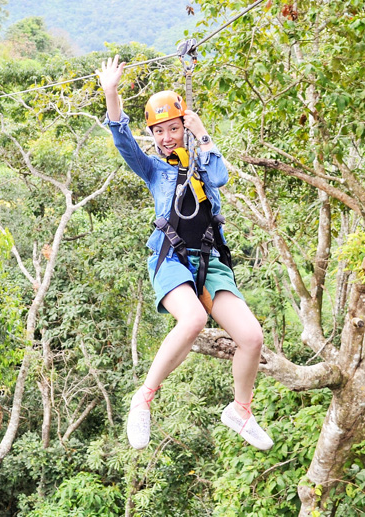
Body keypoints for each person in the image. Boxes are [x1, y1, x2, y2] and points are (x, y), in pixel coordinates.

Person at [97, 55, 273, 451]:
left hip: (208, 261)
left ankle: (240, 410)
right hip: (171, 259)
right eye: (159, 132)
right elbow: (123, 140)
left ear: (184, 127)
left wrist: (204, 135)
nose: (167, 137)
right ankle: (143, 398)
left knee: (252, 336)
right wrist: (112, 93)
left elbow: (222, 177)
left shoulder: (202, 164)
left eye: (174, 128)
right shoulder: (154, 170)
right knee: (192, 319)